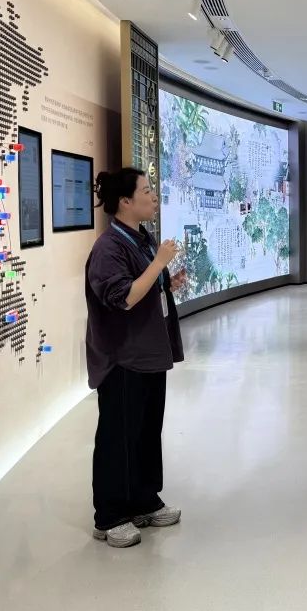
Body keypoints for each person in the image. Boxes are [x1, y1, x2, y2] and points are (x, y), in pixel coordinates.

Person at [85, 167, 188, 548]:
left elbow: (145, 287)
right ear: (125, 201)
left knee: (146, 431)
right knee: (118, 436)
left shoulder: (142, 239)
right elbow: (123, 298)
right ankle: (110, 515)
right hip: (123, 357)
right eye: (146, 190)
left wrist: (167, 281)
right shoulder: (108, 248)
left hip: (148, 352)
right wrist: (159, 264)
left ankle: (144, 500)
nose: (153, 196)